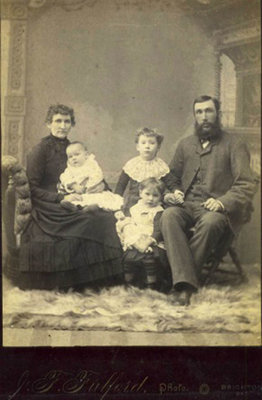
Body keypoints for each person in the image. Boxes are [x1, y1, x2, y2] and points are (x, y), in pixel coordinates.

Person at [160, 95, 257, 306]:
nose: (204, 117)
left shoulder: (235, 144)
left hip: (217, 210)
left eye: (209, 111)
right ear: (195, 116)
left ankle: (183, 285)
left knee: (211, 222)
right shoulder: (185, 145)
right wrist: (174, 191)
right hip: (187, 205)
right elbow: (172, 176)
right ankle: (186, 279)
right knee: (168, 215)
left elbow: (246, 183)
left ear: (218, 114)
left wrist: (222, 202)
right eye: (199, 112)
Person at [18, 104, 123, 290]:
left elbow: (89, 173)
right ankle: (71, 283)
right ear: (48, 124)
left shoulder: (73, 148)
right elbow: (32, 188)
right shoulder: (39, 150)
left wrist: (100, 186)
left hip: (78, 197)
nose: (63, 125)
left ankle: (100, 282)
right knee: (87, 220)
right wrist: (61, 199)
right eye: (57, 121)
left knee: (105, 217)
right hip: (48, 204)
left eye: (67, 121)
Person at [115, 178, 168, 290]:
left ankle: (151, 284)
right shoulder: (134, 208)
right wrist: (122, 218)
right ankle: (128, 283)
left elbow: (158, 230)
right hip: (135, 239)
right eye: (147, 194)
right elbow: (129, 224)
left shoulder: (159, 211)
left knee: (149, 259)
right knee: (128, 259)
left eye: (155, 195)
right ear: (140, 193)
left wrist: (149, 242)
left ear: (160, 197)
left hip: (151, 241)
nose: (150, 198)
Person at [115, 127, 177, 214]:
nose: (147, 146)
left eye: (152, 143)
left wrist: (176, 191)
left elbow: (171, 182)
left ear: (158, 147)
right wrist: (116, 205)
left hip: (154, 204)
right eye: (143, 143)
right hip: (133, 204)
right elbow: (120, 186)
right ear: (137, 147)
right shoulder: (131, 164)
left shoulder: (161, 166)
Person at [58, 141, 123, 212]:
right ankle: (74, 207)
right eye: (70, 157)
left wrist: (89, 185)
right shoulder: (70, 169)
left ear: (86, 155)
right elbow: (64, 177)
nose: (73, 158)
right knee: (76, 199)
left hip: (91, 190)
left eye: (77, 154)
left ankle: (90, 208)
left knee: (97, 198)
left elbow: (97, 174)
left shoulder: (91, 164)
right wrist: (73, 185)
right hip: (78, 193)